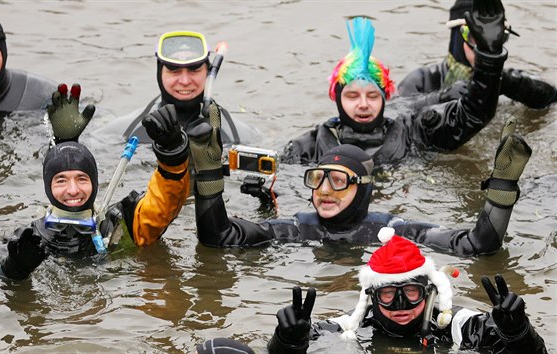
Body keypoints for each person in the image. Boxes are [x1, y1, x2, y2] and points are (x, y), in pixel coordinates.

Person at [188, 94, 532, 257]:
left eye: (338, 181)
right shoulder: (297, 228)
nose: (324, 190)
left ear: (364, 189)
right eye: (318, 178)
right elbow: (218, 238)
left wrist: (501, 189)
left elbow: (478, 245)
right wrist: (207, 178)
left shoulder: (393, 232)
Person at [0, 84, 190, 280]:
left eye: (82, 179)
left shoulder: (122, 225)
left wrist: (172, 156)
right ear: (47, 186)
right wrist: (14, 269)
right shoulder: (28, 238)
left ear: (95, 184)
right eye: (61, 180)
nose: (73, 190)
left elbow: (164, 205)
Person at [281, 2, 509, 166]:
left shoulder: (413, 133)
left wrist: (489, 57)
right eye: (352, 96)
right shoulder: (307, 149)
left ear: (385, 97)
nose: (363, 105)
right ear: (337, 98)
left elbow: (473, 114)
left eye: (372, 96)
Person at [266, 228, 547, 354]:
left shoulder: (457, 325)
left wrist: (519, 334)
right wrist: (287, 342)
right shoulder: (353, 326)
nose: (400, 305)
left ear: (428, 291)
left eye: (411, 292)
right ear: (371, 297)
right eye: (388, 294)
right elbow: (295, 347)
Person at [397, 0, 557, 110]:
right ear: (457, 37)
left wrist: (504, 82)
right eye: (475, 38)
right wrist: (444, 97)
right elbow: (395, 114)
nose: (485, 48)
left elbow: (551, 97)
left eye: (495, 40)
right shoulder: (421, 81)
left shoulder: (509, 79)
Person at [120, 30, 257, 145]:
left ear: (208, 72)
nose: (185, 81)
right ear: (159, 73)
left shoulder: (237, 135)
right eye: (174, 71)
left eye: (194, 70)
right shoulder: (128, 130)